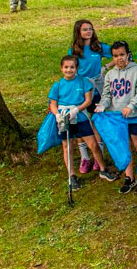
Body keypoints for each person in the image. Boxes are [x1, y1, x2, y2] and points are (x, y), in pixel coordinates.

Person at [50, 55, 117, 190]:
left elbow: (88, 100)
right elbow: (53, 104)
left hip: (80, 117)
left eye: (72, 67)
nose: (69, 70)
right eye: (66, 67)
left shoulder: (84, 82)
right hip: (64, 118)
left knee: (93, 144)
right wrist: (57, 114)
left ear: (77, 68)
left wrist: (77, 109)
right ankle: (72, 176)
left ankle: (103, 169)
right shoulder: (57, 85)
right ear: (61, 69)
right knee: (67, 147)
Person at [97, 41, 137, 194]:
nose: (119, 58)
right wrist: (102, 105)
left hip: (136, 115)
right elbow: (107, 95)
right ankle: (129, 177)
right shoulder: (110, 74)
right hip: (117, 118)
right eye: (115, 56)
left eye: (122, 55)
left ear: (128, 54)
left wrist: (131, 106)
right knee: (124, 146)